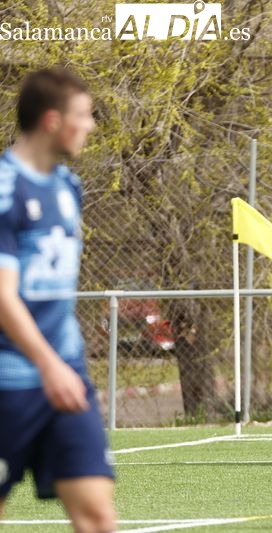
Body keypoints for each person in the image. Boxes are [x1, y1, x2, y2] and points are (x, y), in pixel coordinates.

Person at [0, 68, 117, 532]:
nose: (89, 126)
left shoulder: (69, 187)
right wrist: (47, 366)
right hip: (10, 382)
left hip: (65, 378)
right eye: (83, 116)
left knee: (98, 516)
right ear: (52, 120)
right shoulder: (6, 188)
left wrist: (59, 364)